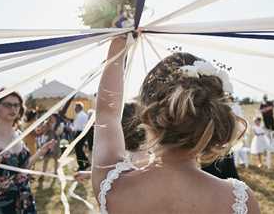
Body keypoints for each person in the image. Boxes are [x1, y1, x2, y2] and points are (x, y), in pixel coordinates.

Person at [92, 36, 260, 214]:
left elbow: (106, 114)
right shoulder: (239, 200)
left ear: (147, 115)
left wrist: (118, 43)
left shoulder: (113, 187)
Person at [0, 91, 55, 213]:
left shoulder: (18, 134)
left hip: (24, 201)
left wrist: (41, 152)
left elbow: (23, 167)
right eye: (7, 105)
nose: (13, 108)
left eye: (16, 105)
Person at [73, 102, 90, 170]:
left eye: (76, 107)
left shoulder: (81, 115)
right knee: (79, 149)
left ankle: (82, 165)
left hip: (80, 132)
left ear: (79, 107)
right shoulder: (82, 115)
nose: (74, 109)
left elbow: (77, 126)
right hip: (81, 133)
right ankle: (84, 163)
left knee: (78, 150)